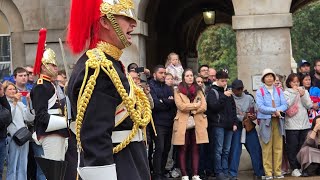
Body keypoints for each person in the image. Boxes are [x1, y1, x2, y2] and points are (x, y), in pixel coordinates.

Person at [67, 0, 152, 179]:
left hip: (129, 162)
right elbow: (95, 140)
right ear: (105, 21)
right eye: (125, 17)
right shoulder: (98, 69)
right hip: (118, 167)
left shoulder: (112, 64)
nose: (134, 23)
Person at [31, 28, 69, 179]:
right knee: (53, 172)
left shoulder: (52, 85)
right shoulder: (41, 86)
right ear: (43, 66)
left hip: (59, 132)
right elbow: (41, 115)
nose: (56, 68)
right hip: (50, 132)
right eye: (53, 65)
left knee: (59, 172)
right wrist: (64, 122)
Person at [173, 68, 208, 180]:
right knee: (183, 148)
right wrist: (195, 105)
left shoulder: (198, 90)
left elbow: (204, 106)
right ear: (183, 77)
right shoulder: (177, 90)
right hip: (183, 123)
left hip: (197, 122)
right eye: (187, 76)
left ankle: (195, 174)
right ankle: (184, 174)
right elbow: (181, 106)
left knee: (196, 148)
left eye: (191, 75)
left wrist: (194, 110)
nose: (190, 77)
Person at [228, 79, 264, 180]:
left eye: (241, 89)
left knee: (255, 149)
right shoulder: (229, 98)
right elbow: (230, 114)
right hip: (237, 127)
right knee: (235, 151)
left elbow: (256, 109)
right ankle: (233, 174)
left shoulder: (249, 97)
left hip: (249, 127)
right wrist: (241, 117)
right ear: (233, 89)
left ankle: (259, 172)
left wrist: (253, 116)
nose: (239, 91)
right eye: (237, 89)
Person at [256, 68, 288, 180]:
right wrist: (273, 111)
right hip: (266, 121)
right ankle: (268, 173)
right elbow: (260, 107)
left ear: (274, 78)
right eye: (267, 76)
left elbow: (285, 104)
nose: (269, 78)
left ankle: (278, 172)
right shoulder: (260, 91)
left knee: (278, 147)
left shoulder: (278, 91)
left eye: (271, 76)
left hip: (278, 120)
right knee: (267, 147)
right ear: (263, 79)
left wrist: (278, 110)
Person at [206, 70, 237, 180]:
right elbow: (213, 107)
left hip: (229, 125)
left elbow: (233, 108)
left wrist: (234, 122)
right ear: (217, 80)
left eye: (226, 81)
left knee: (226, 150)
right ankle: (218, 172)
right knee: (218, 150)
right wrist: (223, 96)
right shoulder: (212, 92)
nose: (225, 83)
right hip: (218, 125)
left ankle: (225, 170)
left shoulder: (228, 92)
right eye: (222, 81)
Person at [283, 73, 314, 177]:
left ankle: (302, 167)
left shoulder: (304, 91)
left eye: (297, 81)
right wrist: (295, 94)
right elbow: (286, 106)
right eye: (293, 82)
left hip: (304, 124)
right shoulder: (286, 92)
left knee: (302, 147)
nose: (296, 84)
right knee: (292, 147)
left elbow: (309, 105)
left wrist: (303, 95)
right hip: (291, 125)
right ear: (289, 82)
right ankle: (294, 168)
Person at [149, 65, 176, 180]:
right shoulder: (151, 86)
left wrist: (163, 101)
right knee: (159, 149)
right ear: (155, 74)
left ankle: (162, 172)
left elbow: (173, 103)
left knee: (166, 149)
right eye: (161, 73)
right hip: (157, 123)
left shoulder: (168, 87)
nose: (163, 75)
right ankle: (156, 175)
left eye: (165, 73)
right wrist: (167, 101)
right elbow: (155, 104)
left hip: (169, 122)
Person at [3, 81, 34, 180]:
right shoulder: (4, 104)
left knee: (23, 165)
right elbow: (8, 118)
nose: (13, 91)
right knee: (12, 165)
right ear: (4, 91)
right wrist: (15, 103)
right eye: (10, 89)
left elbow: (29, 118)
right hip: (12, 137)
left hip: (24, 137)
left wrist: (29, 103)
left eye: (14, 89)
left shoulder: (21, 103)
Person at [0, 82, 11, 180]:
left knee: (0, 169)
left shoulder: (1, 99)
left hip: (2, 138)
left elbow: (8, 115)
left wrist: (2, 96)